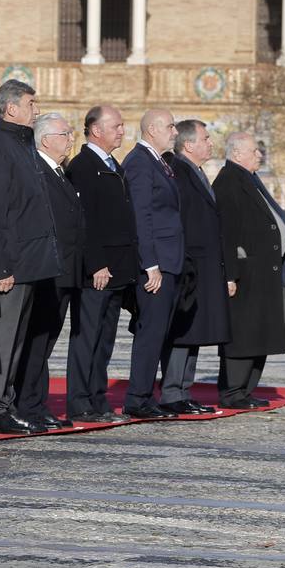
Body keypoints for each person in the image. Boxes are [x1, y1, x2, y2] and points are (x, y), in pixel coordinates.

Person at [0, 80, 61, 436]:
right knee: (4, 335)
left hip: (31, 261)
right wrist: (3, 265)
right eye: (31, 103)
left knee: (20, 338)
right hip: (13, 263)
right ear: (11, 108)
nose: (36, 110)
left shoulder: (19, 144)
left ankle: (7, 403)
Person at [62, 104, 138, 424]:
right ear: (96, 130)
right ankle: (79, 401)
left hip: (118, 268)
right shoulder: (83, 166)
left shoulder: (111, 163)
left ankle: (97, 398)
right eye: (116, 126)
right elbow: (84, 221)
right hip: (97, 270)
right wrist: (96, 263)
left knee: (105, 338)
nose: (122, 130)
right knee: (87, 336)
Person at [213, 132, 285, 408]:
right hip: (245, 274)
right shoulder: (229, 182)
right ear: (237, 154)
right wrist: (230, 274)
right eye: (254, 151)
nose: (260, 155)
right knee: (244, 335)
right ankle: (233, 391)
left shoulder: (250, 178)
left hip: (264, 274)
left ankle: (245, 390)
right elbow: (227, 234)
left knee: (260, 334)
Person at [162, 119, 228, 414]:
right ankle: (172, 391)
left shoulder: (196, 172)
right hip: (189, 265)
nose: (211, 143)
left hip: (202, 266)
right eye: (206, 138)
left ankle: (183, 389)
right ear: (189, 145)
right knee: (182, 331)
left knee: (195, 330)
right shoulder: (179, 171)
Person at [21, 113, 82, 432]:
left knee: (46, 342)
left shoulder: (60, 172)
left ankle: (35, 401)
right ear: (46, 140)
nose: (71, 138)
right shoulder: (38, 171)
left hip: (65, 270)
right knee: (37, 341)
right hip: (49, 270)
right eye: (65, 133)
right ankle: (29, 403)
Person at [120, 108, 181, 420]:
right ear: (153, 129)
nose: (174, 132)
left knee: (158, 331)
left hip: (169, 260)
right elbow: (141, 217)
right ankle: (137, 398)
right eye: (170, 126)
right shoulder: (141, 163)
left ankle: (145, 394)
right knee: (150, 332)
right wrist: (151, 264)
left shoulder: (159, 162)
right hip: (155, 265)